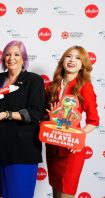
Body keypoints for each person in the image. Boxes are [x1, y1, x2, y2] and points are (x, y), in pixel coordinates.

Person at [0, 40, 45, 198]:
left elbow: (35, 113)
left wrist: (7, 114)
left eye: (16, 54)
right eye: (8, 54)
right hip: (1, 146)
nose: (11, 58)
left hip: (22, 150)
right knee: (4, 193)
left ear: (23, 58)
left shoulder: (34, 80)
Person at [45, 46, 99, 198]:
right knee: (56, 192)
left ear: (83, 65)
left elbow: (94, 121)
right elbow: (44, 116)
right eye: (69, 56)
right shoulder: (51, 86)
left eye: (77, 58)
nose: (72, 60)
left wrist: (77, 137)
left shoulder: (85, 87)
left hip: (72, 150)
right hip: (53, 147)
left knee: (66, 194)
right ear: (63, 60)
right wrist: (50, 117)